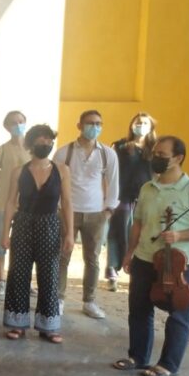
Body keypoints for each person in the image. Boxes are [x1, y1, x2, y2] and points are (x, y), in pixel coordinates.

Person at [117, 136, 189, 376]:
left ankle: (168, 364)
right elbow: (137, 223)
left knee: (179, 314)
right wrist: (130, 252)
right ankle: (137, 356)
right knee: (139, 309)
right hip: (145, 258)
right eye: (155, 153)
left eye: (162, 155)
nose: (155, 158)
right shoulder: (147, 187)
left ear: (178, 158)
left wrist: (179, 234)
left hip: (181, 263)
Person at [2, 125, 74, 344]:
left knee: (50, 274)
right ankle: (17, 323)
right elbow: (10, 203)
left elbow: (67, 203)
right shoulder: (19, 171)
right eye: (41, 140)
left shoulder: (62, 170)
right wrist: (5, 233)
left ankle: (49, 325)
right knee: (18, 273)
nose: (46, 144)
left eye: (49, 140)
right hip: (23, 223)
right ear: (31, 143)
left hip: (50, 224)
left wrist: (70, 233)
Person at [52, 110, 119, 319]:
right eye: (90, 123)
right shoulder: (64, 152)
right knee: (62, 257)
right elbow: (54, 183)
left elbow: (114, 182)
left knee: (93, 259)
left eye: (99, 123)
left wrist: (109, 209)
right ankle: (59, 299)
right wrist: (57, 209)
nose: (95, 127)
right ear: (79, 125)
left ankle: (89, 301)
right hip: (67, 212)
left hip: (96, 213)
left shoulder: (107, 153)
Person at [106, 113, 156, 292]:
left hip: (146, 197)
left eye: (144, 123)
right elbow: (111, 172)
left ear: (151, 128)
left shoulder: (155, 149)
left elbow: (157, 174)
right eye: (138, 122)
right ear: (131, 125)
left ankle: (136, 268)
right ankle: (112, 268)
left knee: (141, 234)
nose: (141, 126)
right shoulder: (120, 146)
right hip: (123, 196)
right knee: (117, 232)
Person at [0, 111, 31, 296]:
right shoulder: (0, 151)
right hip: (4, 205)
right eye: (14, 122)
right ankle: (1, 279)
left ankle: (23, 280)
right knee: (0, 241)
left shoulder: (33, 149)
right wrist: (1, 197)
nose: (18, 125)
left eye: (21, 121)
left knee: (25, 245)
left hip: (28, 206)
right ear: (6, 126)